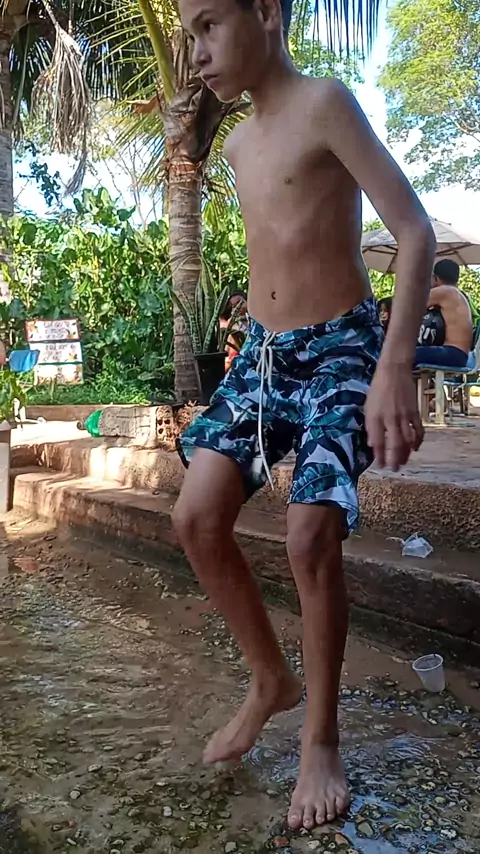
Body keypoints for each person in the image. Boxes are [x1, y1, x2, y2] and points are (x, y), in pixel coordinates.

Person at [174, 0, 435, 832]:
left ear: (266, 13)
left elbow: (414, 231)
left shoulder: (326, 103)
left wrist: (395, 365)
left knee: (309, 534)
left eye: (210, 25)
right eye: (188, 34)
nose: (197, 51)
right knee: (195, 517)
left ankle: (321, 739)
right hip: (263, 356)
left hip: (340, 350)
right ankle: (270, 679)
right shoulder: (238, 142)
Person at [416, 259, 473, 368]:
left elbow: (411, 307)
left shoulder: (444, 291)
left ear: (435, 278)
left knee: (402, 355)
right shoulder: (457, 294)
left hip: (452, 353)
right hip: (459, 354)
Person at [220, 290, 249, 369]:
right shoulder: (232, 325)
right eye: (234, 306)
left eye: (240, 302)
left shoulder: (256, 319)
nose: (238, 307)